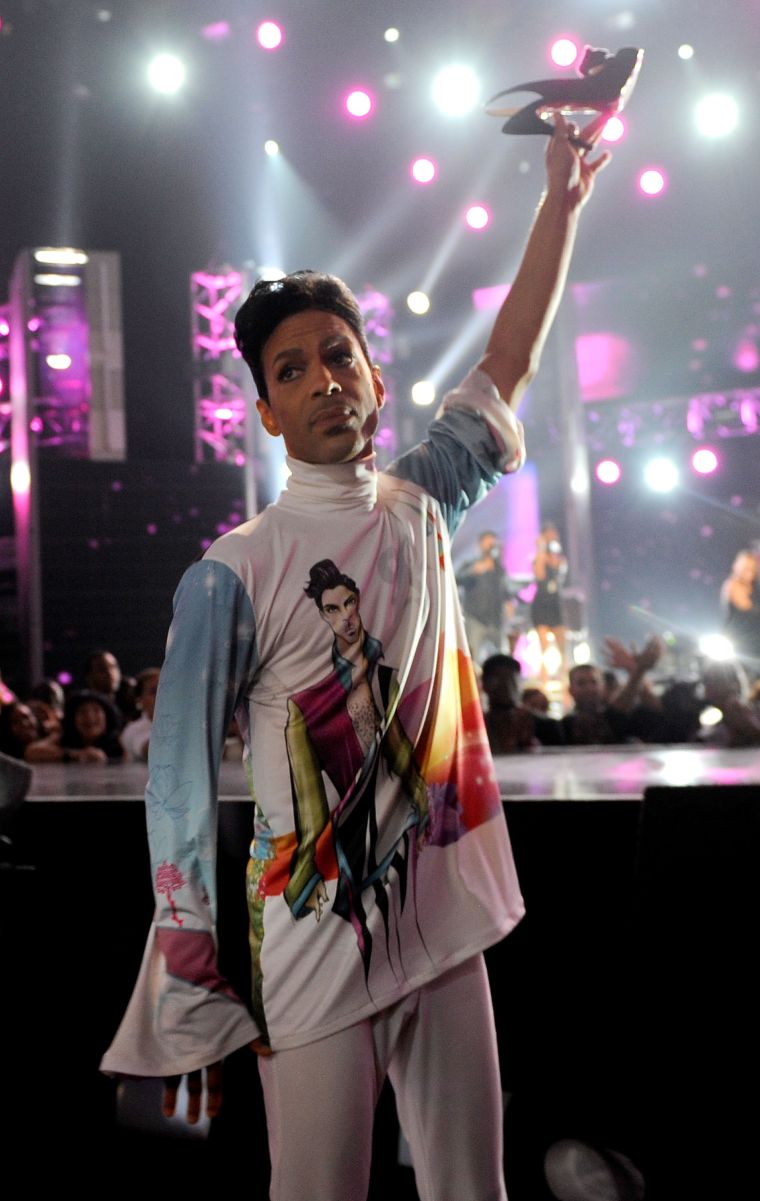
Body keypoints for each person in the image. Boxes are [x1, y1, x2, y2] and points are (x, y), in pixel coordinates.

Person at [101, 112, 610, 1201]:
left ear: (374, 371)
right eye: (294, 369)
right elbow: (178, 788)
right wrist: (194, 987)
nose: (325, 378)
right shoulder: (230, 572)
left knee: (473, 1187)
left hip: (440, 918)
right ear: (267, 411)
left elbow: (509, 356)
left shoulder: (422, 499)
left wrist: (560, 199)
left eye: (339, 354)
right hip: (308, 943)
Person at [481, 654, 564, 752]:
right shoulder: (477, 728)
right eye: (498, 681)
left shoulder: (547, 726)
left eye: (512, 681)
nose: (506, 687)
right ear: (484, 685)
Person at [457, 530, 516, 663]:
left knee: (500, 659)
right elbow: (456, 580)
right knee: (473, 659)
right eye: (487, 543)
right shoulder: (471, 564)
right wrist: (473, 571)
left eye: (493, 543)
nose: (491, 546)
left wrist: (508, 604)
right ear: (480, 545)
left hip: (496, 621)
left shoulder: (499, 568)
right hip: (476, 619)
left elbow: (504, 589)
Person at [530, 520, 568, 681]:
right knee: (543, 646)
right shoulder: (538, 557)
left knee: (562, 646)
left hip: (555, 603)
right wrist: (541, 550)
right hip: (541, 604)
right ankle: (543, 682)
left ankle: (566, 681)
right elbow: (539, 576)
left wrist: (555, 557)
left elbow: (561, 578)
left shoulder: (560, 559)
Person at [720, 549, 760, 679]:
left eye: (751, 568)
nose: (748, 571)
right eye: (745, 567)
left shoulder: (755, 589)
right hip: (739, 642)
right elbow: (746, 609)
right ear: (737, 567)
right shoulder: (733, 584)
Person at [121, 667, 161, 762]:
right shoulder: (132, 730)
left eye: (165, 690)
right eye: (154, 692)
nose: (162, 695)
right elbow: (152, 750)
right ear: (140, 700)